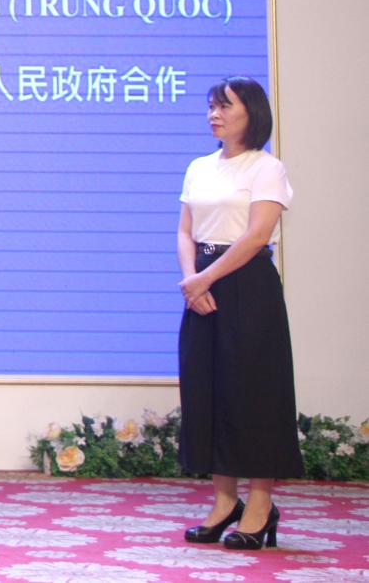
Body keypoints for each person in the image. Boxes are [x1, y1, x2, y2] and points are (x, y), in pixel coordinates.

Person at [177, 75, 302, 550]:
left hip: (247, 285)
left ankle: (260, 505)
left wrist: (205, 279)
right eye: (211, 106)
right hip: (202, 286)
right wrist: (192, 280)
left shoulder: (266, 167)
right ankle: (224, 502)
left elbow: (256, 235)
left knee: (254, 395)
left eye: (225, 106)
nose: (214, 114)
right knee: (208, 392)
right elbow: (186, 231)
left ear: (252, 113)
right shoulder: (199, 167)